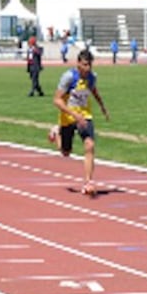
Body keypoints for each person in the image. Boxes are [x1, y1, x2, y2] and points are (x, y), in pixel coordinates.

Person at [49, 48, 110, 196]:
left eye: (89, 65)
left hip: (85, 116)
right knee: (65, 152)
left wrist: (102, 106)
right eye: (84, 65)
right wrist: (73, 114)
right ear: (78, 63)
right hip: (68, 117)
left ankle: (88, 182)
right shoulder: (69, 77)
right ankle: (56, 133)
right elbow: (56, 100)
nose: (87, 68)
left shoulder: (91, 77)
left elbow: (94, 90)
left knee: (89, 144)